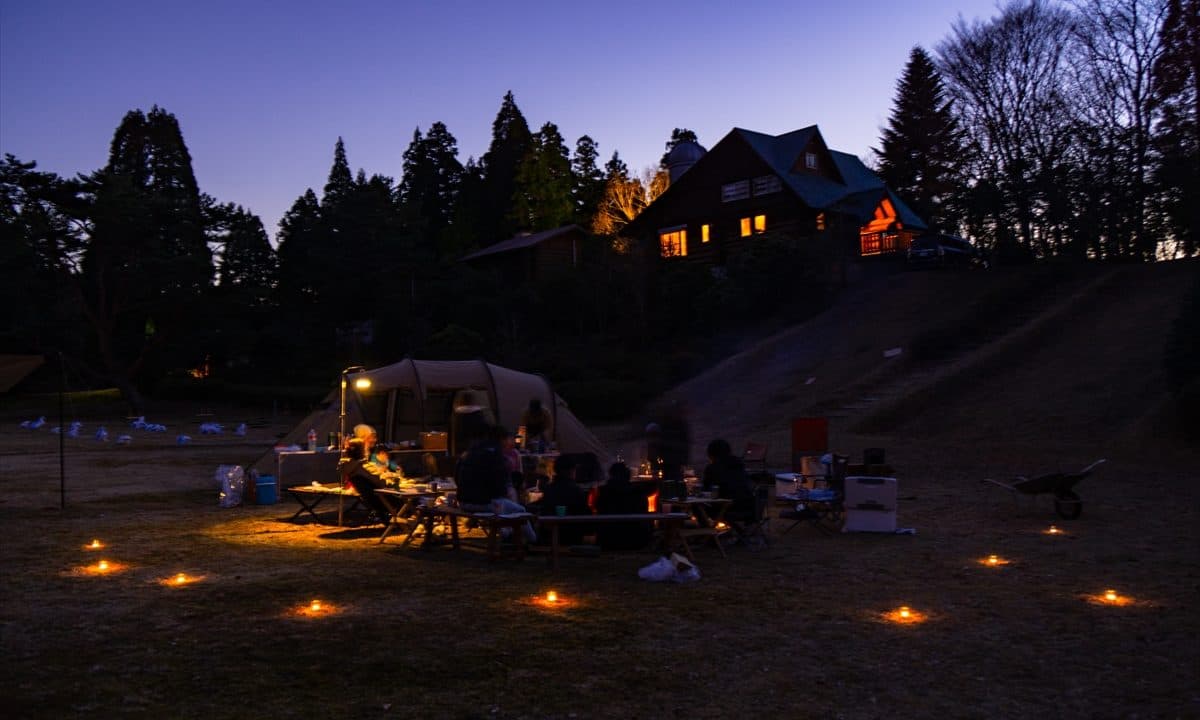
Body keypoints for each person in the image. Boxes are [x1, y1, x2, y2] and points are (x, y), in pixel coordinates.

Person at [455, 425, 536, 543]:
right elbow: (498, 487)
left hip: (463, 501)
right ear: (503, 439)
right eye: (510, 438)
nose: (512, 442)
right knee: (520, 511)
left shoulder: (472, 450)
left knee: (506, 506)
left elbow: (457, 475)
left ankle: (508, 534)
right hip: (482, 503)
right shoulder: (495, 455)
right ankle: (533, 541)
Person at [594, 462, 654, 551]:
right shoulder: (638, 493)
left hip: (609, 538)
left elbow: (599, 511)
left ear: (611, 475)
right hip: (635, 538)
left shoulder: (604, 493)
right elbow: (645, 515)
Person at [535, 454, 592, 545]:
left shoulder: (549, 489)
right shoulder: (576, 490)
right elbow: (584, 514)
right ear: (571, 471)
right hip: (572, 537)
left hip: (551, 537)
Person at [339, 437, 394, 525]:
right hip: (385, 500)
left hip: (372, 500)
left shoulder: (349, 466)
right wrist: (389, 477)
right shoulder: (364, 467)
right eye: (366, 448)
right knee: (417, 499)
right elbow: (381, 483)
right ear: (362, 451)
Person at [702, 438, 755, 523]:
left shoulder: (712, 468)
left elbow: (705, 490)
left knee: (696, 506)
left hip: (726, 509)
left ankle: (707, 532)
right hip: (749, 508)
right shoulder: (739, 465)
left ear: (711, 454)